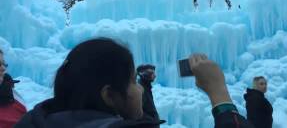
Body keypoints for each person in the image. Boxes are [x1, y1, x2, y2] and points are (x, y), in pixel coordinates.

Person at [15, 38, 253, 128]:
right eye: (132, 82)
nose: (138, 87)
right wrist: (219, 94)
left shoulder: (34, 121)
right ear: (109, 96)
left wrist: (144, 89)